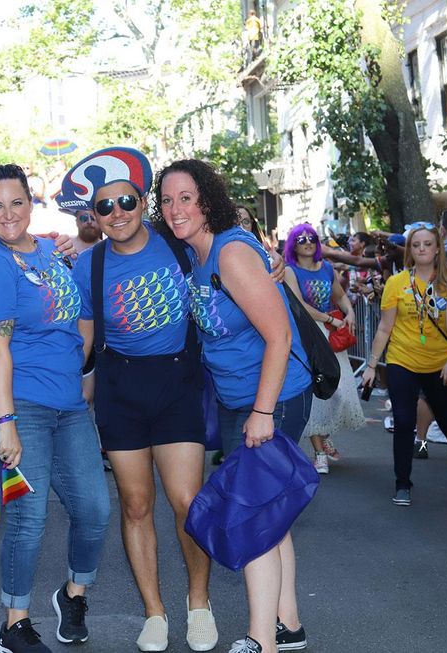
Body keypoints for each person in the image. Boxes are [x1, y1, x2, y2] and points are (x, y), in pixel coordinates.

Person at [156, 159, 313, 653]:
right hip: (239, 400)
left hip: (274, 398)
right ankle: (288, 624)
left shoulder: (229, 253)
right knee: (271, 515)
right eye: (167, 200)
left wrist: (263, 413)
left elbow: (279, 334)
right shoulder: (196, 255)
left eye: (187, 197)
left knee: (254, 517)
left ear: (208, 200)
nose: (176, 208)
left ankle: (260, 640)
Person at [66, 147, 219, 653]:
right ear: (94, 216)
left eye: (126, 201)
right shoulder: (87, 266)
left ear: (140, 201)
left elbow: (225, 277)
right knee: (135, 504)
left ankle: (199, 603)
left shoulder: (178, 247)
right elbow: (84, 339)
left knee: (187, 503)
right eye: (104, 208)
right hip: (119, 387)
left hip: (176, 383)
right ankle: (155, 613)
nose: (117, 213)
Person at [0, 164, 110, 652]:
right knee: (29, 515)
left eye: (16, 202)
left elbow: (79, 317)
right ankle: (14, 624)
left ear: (32, 202)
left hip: (68, 403)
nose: (8, 214)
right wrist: (5, 424)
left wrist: (81, 373)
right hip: (15, 402)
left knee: (94, 508)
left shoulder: (52, 252)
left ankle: (73, 595)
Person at [359, 224, 447, 506]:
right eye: (416, 245)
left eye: (428, 244)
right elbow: (384, 329)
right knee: (403, 421)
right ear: (410, 251)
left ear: (437, 248)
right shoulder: (397, 283)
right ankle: (403, 484)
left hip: (441, 364)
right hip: (402, 361)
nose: (422, 249)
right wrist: (371, 365)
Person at [283, 223, 365, 474]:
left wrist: (350, 312)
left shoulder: (327, 268)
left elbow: (340, 295)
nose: (307, 242)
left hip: (329, 335)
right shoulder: (289, 271)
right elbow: (299, 306)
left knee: (338, 391)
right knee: (317, 392)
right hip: (307, 335)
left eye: (311, 238)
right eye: (301, 239)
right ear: (293, 245)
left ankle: (325, 434)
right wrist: (331, 319)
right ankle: (319, 452)